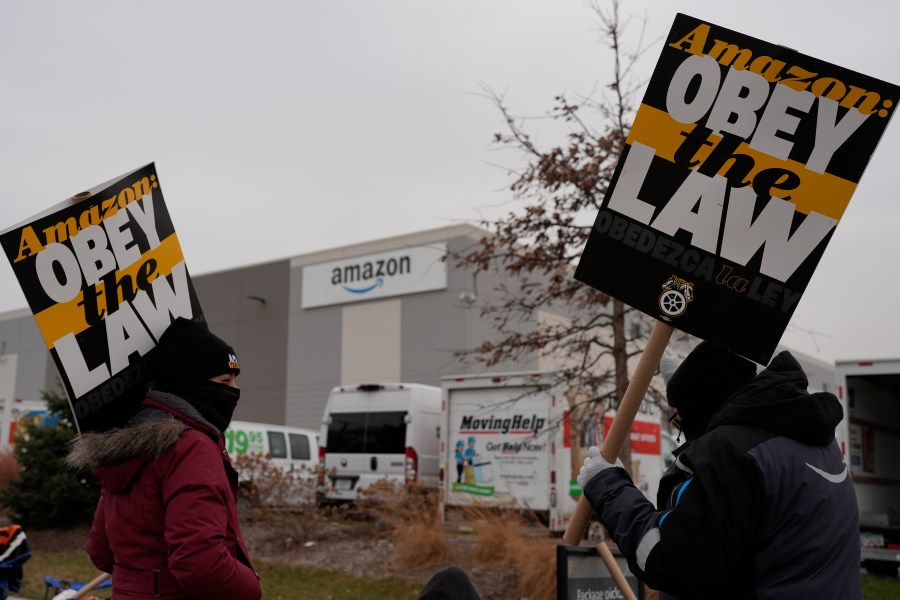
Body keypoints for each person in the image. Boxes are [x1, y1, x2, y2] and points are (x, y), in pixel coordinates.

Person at [577, 341, 861, 599]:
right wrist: (687, 389)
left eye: (680, 419)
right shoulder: (812, 437)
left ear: (700, 411)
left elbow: (669, 560)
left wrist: (608, 485)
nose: (683, 428)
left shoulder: (731, 455)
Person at [66, 317, 261, 599]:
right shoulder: (192, 446)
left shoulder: (124, 443)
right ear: (189, 383)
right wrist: (252, 588)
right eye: (225, 380)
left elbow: (101, 551)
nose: (234, 390)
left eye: (235, 379)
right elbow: (200, 563)